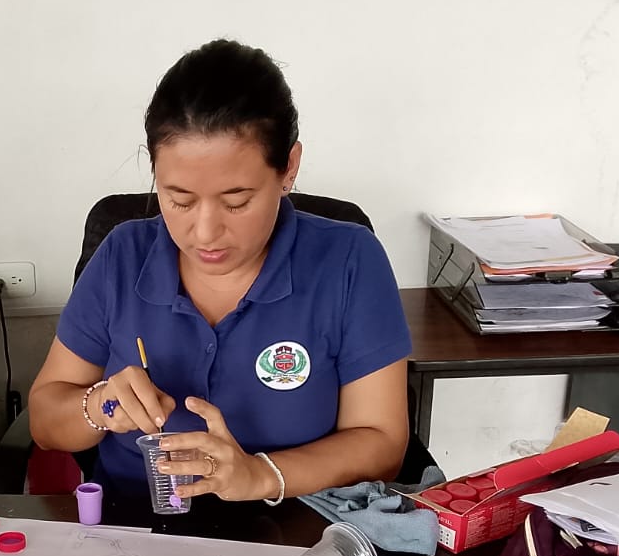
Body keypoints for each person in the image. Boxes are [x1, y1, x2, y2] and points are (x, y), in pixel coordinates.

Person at [27, 39, 411, 504]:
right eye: (179, 200)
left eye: (236, 201)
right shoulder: (123, 256)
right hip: (132, 526)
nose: (205, 233)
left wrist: (259, 475)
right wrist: (101, 405)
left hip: (297, 530)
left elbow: (382, 443)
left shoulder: (348, 260)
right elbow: (45, 421)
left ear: (288, 168)